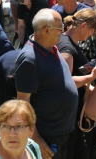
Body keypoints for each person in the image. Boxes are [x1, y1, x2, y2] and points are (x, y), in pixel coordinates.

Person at [15, 9, 78, 159]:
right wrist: (36, 138)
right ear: (46, 30)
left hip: (62, 131)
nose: (63, 32)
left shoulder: (52, 49)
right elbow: (23, 103)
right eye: (60, 28)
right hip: (46, 136)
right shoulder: (30, 59)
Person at [57, 9, 96, 159]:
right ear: (83, 25)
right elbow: (65, 82)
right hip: (68, 111)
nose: (91, 35)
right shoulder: (67, 49)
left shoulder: (67, 42)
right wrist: (91, 77)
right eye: (92, 31)